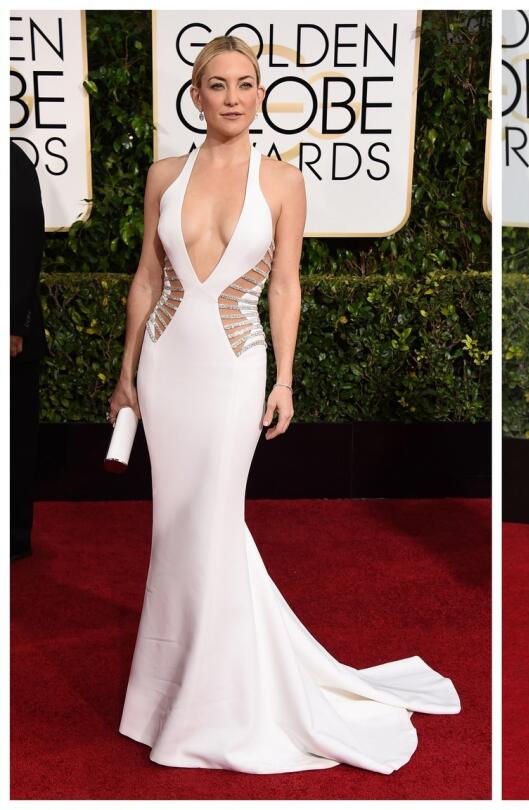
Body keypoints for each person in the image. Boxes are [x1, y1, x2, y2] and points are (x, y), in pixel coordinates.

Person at [106, 36, 458, 773]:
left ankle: (219, 700)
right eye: (217, 84)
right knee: (175, 526)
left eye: (246, 84)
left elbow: (286, 285)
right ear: (195, 94)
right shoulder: (162, 175)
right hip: (169, 367)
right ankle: (168, 692)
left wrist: (286, 378)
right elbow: (145, 277)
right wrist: (126, 372)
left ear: (259, 93)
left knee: (213, 519)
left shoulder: (284, 181)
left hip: (237, 367)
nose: (232, 97)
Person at [11, 142, 47, 562]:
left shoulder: (13, 161)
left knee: (14, 439)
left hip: (11, 338)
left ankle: (14, 536)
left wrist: (13, 324)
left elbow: (23, 248)